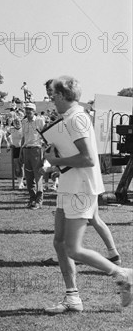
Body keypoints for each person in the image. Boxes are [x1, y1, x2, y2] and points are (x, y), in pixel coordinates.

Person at [43, 76, 132, 314]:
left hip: (80, 188)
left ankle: (123, 275)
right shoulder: (71, 118)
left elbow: (88, 159)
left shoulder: (77, 118)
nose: (50, 98)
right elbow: (79, 156)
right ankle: (72, 298)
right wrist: (57, 166)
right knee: (59, 243)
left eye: (52, 94)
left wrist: (55, 160)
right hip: (70, 184)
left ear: (62, 95)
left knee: (72, 248)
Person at [20, 103, 45, 208]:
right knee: (29, 177)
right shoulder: (24, 122)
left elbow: (45, 134)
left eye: (30, 109)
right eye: (27, 109)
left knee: (38, 175)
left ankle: (39, 200)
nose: (28, 111)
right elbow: (23, 137)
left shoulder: (39, 121)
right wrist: (21, 151)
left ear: (34, 111)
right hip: (26, 150)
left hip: (36, 149)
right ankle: (32, 198)